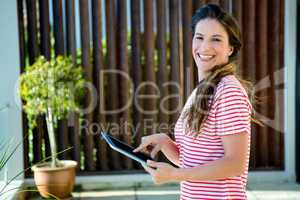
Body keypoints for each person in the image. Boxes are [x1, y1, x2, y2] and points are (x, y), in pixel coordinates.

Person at [134, 4, 254, 200]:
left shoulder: (228, 91)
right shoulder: (202, 90)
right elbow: (192, 162)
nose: (205, 47)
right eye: (199, 37)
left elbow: (235, 164)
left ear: (230, 48)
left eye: (216, 39)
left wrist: (175, 175)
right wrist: (165, 142)